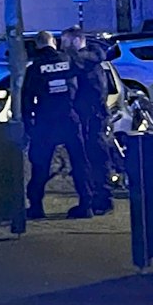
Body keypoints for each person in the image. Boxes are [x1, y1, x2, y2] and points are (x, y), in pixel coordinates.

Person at [22, 31, 94, 220]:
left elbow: (26, 99)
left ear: (38, 44)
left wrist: (29, 125)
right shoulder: (70, 60)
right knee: (80, 161)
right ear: (54, 42)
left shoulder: (35, 68)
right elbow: (87, 83)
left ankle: (36, 206)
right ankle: (86, 205)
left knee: (40, 165)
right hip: (69, 117)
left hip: (46, 121)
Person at [64, 28, 115, 215]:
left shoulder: (84, 61)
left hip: (90, 116)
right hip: (94, 115)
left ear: (77, 41)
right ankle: (99, 198)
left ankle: (99, 199)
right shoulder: (93, 60)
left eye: (67, 41)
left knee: (92, 156)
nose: (64, 46)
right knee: (95, 156)